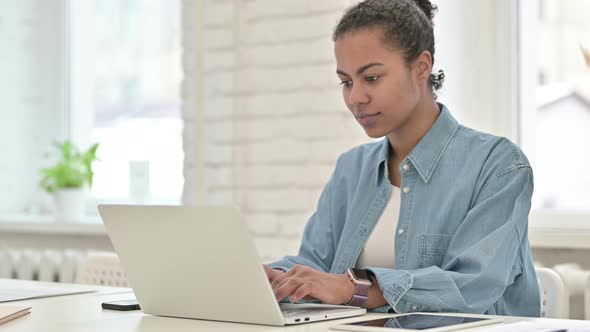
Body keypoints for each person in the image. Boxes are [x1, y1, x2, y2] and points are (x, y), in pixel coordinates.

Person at [263, 0, 540, 317]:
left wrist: (356, 288)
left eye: (371, 78)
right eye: (346, 81)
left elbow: (473, 284)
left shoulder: (498, 166)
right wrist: (275, 278)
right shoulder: (351, 169)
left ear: (421, 67)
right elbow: (316, 265)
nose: (355, 97)